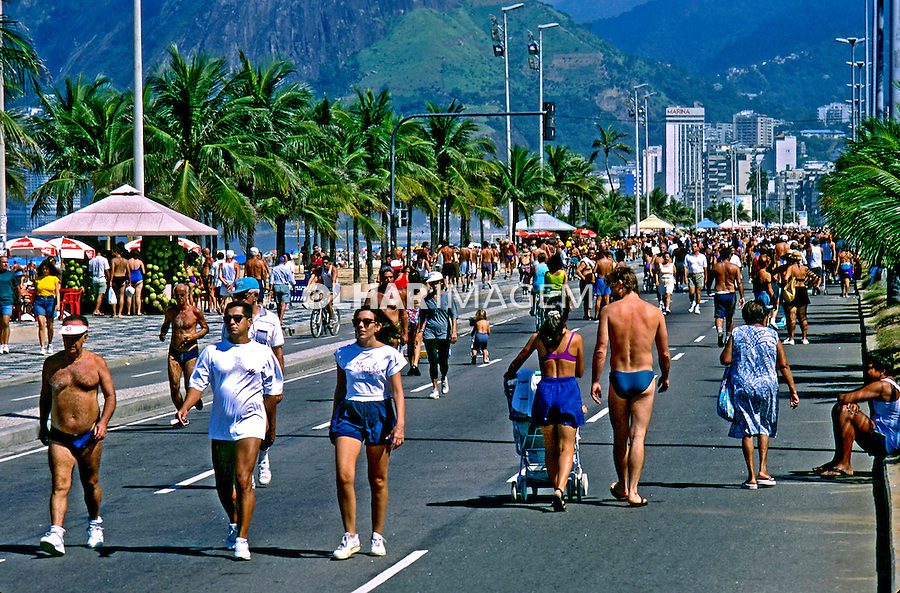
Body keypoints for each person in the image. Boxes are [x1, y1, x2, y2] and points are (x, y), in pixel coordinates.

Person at [178, 301, 283, 561]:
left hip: (252, 422)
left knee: (243, 478)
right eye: (228, 319)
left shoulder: (262, 353)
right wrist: (186, 406)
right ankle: (234, 522)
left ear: (249, 322)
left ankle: (242, 539)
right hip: (221, 425)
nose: (232, 322)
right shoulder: (214, 352)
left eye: (237, 318)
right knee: (224, 484)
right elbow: (198, 383)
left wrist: (271, 425)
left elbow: (271, 393)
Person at [330, 307, 406, 560]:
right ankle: (350, 536)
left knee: (378, 478)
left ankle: (377, 534)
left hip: (379, 412)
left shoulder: (388, 354)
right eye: (357, 322)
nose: (361, 326)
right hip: (350, 413)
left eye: (366, 322)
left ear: (377, 326)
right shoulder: (344, 354)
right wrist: (333, 419)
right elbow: (340, 390)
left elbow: (397, 392)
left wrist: (400, 424)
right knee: (344, 475)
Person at [591, 266, 670, 507]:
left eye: (614, 286)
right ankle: (634, 491)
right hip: (644, 377)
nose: (611, 290)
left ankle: (623, 486)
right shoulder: (654, 312)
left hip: (619, 378)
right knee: (638, 436)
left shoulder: (609, 311)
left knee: (620, 436)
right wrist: (665, 376)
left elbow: (601, 349)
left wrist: (595, 379)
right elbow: (664, 353)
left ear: (623, 285)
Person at [38, 316, 116, 556]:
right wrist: (43, 425)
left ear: (85, 337)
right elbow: (45, 397)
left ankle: (94, 523)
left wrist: (103, 423)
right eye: (67, 338)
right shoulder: (52, 364)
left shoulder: (96, 363)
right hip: (60, 435)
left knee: (90, 482)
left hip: (89, 435)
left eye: (75, 339)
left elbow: (111, 397)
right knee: (60, 485)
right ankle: (56, 532)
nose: (71, 344)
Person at [505, 308, 584, 512]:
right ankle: (559, 489)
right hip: (567, 391)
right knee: (566, 448)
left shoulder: (538, 339)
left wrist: (509, 373)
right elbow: (580, 372)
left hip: (546, 391)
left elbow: (519, 359)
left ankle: (556, 486)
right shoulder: (575, 339)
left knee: (549, 448)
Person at [720, 302, 799, 489]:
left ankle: (751, 477)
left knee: (747, 429)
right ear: (764, 317)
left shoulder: (737, 333)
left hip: (743, 385)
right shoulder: (772, 334)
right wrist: (793, 391)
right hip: (767, 386)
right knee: (764, 425)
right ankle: (763, 470)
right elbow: (783, 365)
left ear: (746, 317)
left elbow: (725, 359)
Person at [225, 277, 285, 488]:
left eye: (242, 297)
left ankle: (264, 456)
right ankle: (246, 469)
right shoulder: (233, 319)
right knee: (243, 429)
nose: (238, 301)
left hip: (266, 383)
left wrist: (279, 385)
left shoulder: (270, 319)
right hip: (242, 383)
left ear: (254, 296)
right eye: (236, 297)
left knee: (268, 431)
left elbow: (278, 351)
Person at [810, 351, 900, 477]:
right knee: (842, 409)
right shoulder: (887, 384)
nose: (866, 372)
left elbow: (844, 398)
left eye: (869, 368)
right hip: (882, 437)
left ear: (882, 370)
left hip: (885, 441)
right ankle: (838, 460)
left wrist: (850, 400)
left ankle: (845, 465)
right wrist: (853, 403)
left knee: (844, 410)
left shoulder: (882, 386)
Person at [160, 284, 209, 426]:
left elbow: (205, 328)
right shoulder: (171, 311)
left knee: (190, 385)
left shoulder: (195, 312)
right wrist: (163, 333)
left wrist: (194, 336)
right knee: (174, 386)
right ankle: (182, 413)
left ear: (187, 295)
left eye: (182, 295)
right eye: (177, 295)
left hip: (190, 351)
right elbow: (166, 324)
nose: (180, 298)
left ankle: (193, 399)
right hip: (174, 351)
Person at [418, 271, 458, 400]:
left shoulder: (448, 297)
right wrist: (419, 332)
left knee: (443, 360)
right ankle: (434, 387)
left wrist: (454, 332)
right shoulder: (426, 300)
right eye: (432, 283)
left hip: (444, 332)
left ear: (441, 282)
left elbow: (454, 316)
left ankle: (444, 376)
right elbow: (422, 318)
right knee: (432, 361)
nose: (435, 285)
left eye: (436, 283)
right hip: (430, 332)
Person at [366, 266, 407, 350]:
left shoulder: (399, 293)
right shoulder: (373, 293)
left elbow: (403, 315)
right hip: (378, 331)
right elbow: (366, 313)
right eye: (385, 278)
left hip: (393, 332)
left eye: (391, 277)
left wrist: (405, 333)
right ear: (380, 278)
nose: (388, 280)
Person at [711, 247, 744, 347]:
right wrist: (742, 296)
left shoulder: (716, 266)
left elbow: (710, 279)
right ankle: (728, 337)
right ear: (730, 255)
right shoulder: (734, 267)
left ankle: (720, 331)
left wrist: (708, 289)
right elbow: (739, 282)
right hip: (730, 292)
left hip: (719, 292)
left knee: (719, 315)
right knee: (730, 317)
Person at [779, 250, 810, 345]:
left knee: (792, 316)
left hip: (793, 291)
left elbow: (785, 278)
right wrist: (809, 285)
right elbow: (816, 277)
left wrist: (787, 283)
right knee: (803, 316)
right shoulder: (804, 268)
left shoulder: (791, 268)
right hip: (803, 290)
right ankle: (804, 338)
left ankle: (791, 338)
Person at [34, 259, 62, 355]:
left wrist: (58, 304)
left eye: (47, 269)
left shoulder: (54, 278)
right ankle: (42, 346)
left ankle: (50, 343)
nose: (45, 271)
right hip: (39, 301)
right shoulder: (38, 279)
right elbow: (35, 291)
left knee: (50, 324)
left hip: (50, 300)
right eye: (43, 269)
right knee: (41, 323)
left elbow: (57, 292)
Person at [0, 255, 19, 353]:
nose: (5, 264)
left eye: (6, 262)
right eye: (3, 262)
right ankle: (1, 343)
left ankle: (5, 344)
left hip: (8, 301)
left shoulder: (11, 275)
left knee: (5, 322)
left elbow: (17, 288)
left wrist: (18, 300)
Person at [269, 255, 296, 325]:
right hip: (284, 286)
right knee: (284, 304)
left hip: (276, 286)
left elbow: (271, 280)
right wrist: (294, 286)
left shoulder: (274, 269)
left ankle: (279, 317)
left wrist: (271, 289)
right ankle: (280, 319)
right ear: (284, 261)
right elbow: (291, 279)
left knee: (278, 304)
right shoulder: (286, 269)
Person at [684, 242, 707, 315]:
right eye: (692, 246)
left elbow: (705, 268)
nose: (693, 248)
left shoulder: (702, 256)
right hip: (691, 275)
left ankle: (697, 305)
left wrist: (706, 277)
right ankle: (692, 302)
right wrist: (685, 277)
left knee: (698, 291)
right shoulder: (688, 256)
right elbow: (685, 267)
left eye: (695, 247)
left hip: (700, 274)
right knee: (691, 291)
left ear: (698, 248)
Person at [87, 250, 110, 316]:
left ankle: (97, 309)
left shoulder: (91, 260)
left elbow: (90, 271)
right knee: (100, 295)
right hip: (102, 278)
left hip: (94, 279)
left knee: (96, 295)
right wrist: (108, 279)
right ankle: (96, 309)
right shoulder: (104, 259)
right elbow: (107, 270)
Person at [110, 248, 129, 317]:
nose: (112, 254)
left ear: (116, 252)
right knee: (121, 296)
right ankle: (120, 313)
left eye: (113, 252)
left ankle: (114, 313)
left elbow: (112, 271)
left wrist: (111, 280)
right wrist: (129, 281)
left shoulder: (113, 260)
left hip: (115, 277)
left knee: (114, 296)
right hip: (122, 278)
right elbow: (128, 272)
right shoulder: (125, 261)